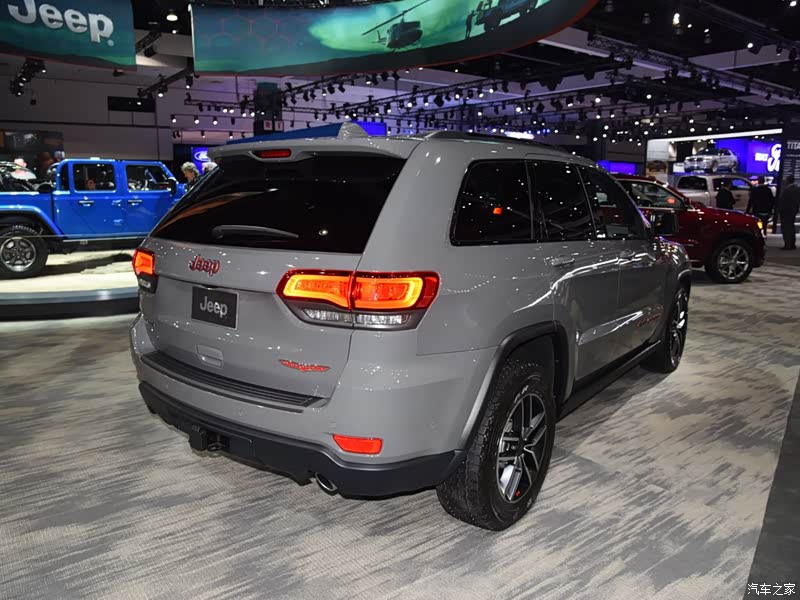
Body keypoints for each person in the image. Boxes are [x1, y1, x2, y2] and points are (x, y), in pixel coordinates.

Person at [777, 175, 800, 250]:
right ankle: (792, 244)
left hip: (786, 211)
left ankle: (788, 245)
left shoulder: (787, 190)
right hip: (793, 211)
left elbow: (783, 201)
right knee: (791, 227)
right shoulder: (797, 189)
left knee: (786, 228)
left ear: (788, 181)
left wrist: (779, 210)